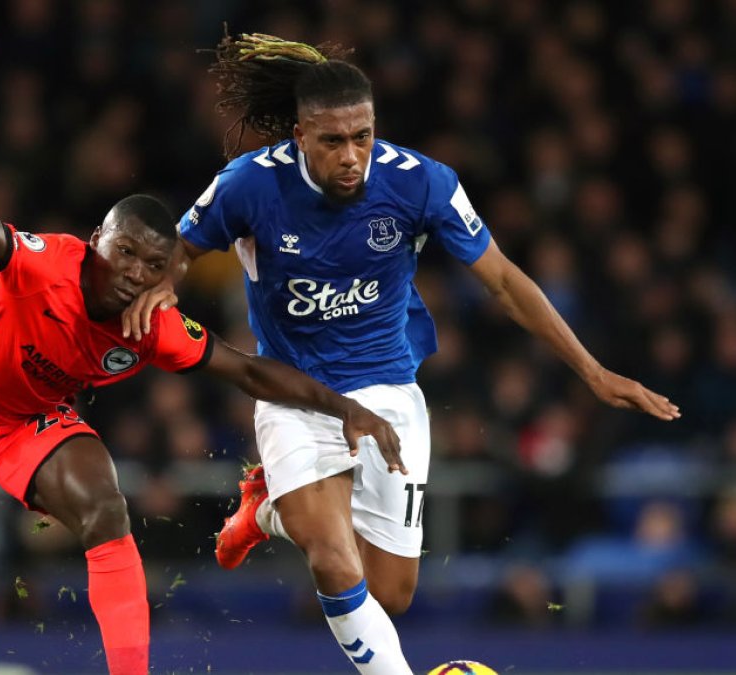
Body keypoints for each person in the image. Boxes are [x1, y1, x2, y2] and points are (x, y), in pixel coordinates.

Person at [123, 33, 681, 673]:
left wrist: (593, 371)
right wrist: (162, 286)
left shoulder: (422, 184)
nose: (352, 155)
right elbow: (183, 249)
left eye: (362, 136)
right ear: (301, 136)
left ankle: (269, 509)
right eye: (333, 141)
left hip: (388, 392)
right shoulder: (249, 184)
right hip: (293, 393)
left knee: (389, 592)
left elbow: (502, 280)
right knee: (332, 557)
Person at [0, 114, 404, 674]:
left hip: (31, 420)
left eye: (152, 265)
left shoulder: (150, 324)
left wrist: (345, 407)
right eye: (125, 253)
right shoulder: (46, 265)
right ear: (97, 241)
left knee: (105, 507)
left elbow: (248, 372)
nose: (135, 274)